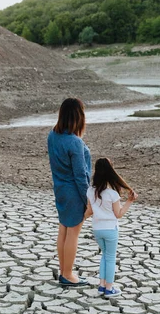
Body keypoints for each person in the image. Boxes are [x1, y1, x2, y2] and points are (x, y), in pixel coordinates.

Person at [48, 98, 91, 287]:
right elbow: (81, 176)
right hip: (74, 193)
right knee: (73, 233)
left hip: (60, 189)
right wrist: (89, 200)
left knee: (64, 231)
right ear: (78, 116)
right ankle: (67, 274)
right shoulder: (75, 142)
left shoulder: (52, 135)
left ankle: (64, 270)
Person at [84, 157, 138, 297]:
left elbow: (89, 210)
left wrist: (81, 218)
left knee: (105, 256)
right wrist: (129, 202)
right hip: (110, 230)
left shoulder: (90, 190)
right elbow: (118, 214)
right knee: (110, 257)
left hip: (97, 229)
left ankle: (102, 286)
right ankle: (109, 288)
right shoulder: (112, 194)